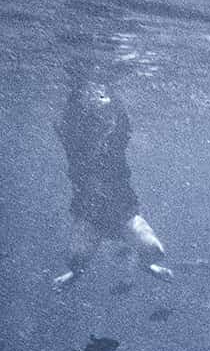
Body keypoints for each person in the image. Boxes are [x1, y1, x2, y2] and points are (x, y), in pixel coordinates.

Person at [54, 60, 170, 284]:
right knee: (75, 261)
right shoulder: (78, 147)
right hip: (90, 216)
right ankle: (75, 274)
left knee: (156, 251)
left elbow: (122, 128)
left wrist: (112, 95)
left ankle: (148, 267)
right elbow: (70, 126)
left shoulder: (110, 147)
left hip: (122, 214)